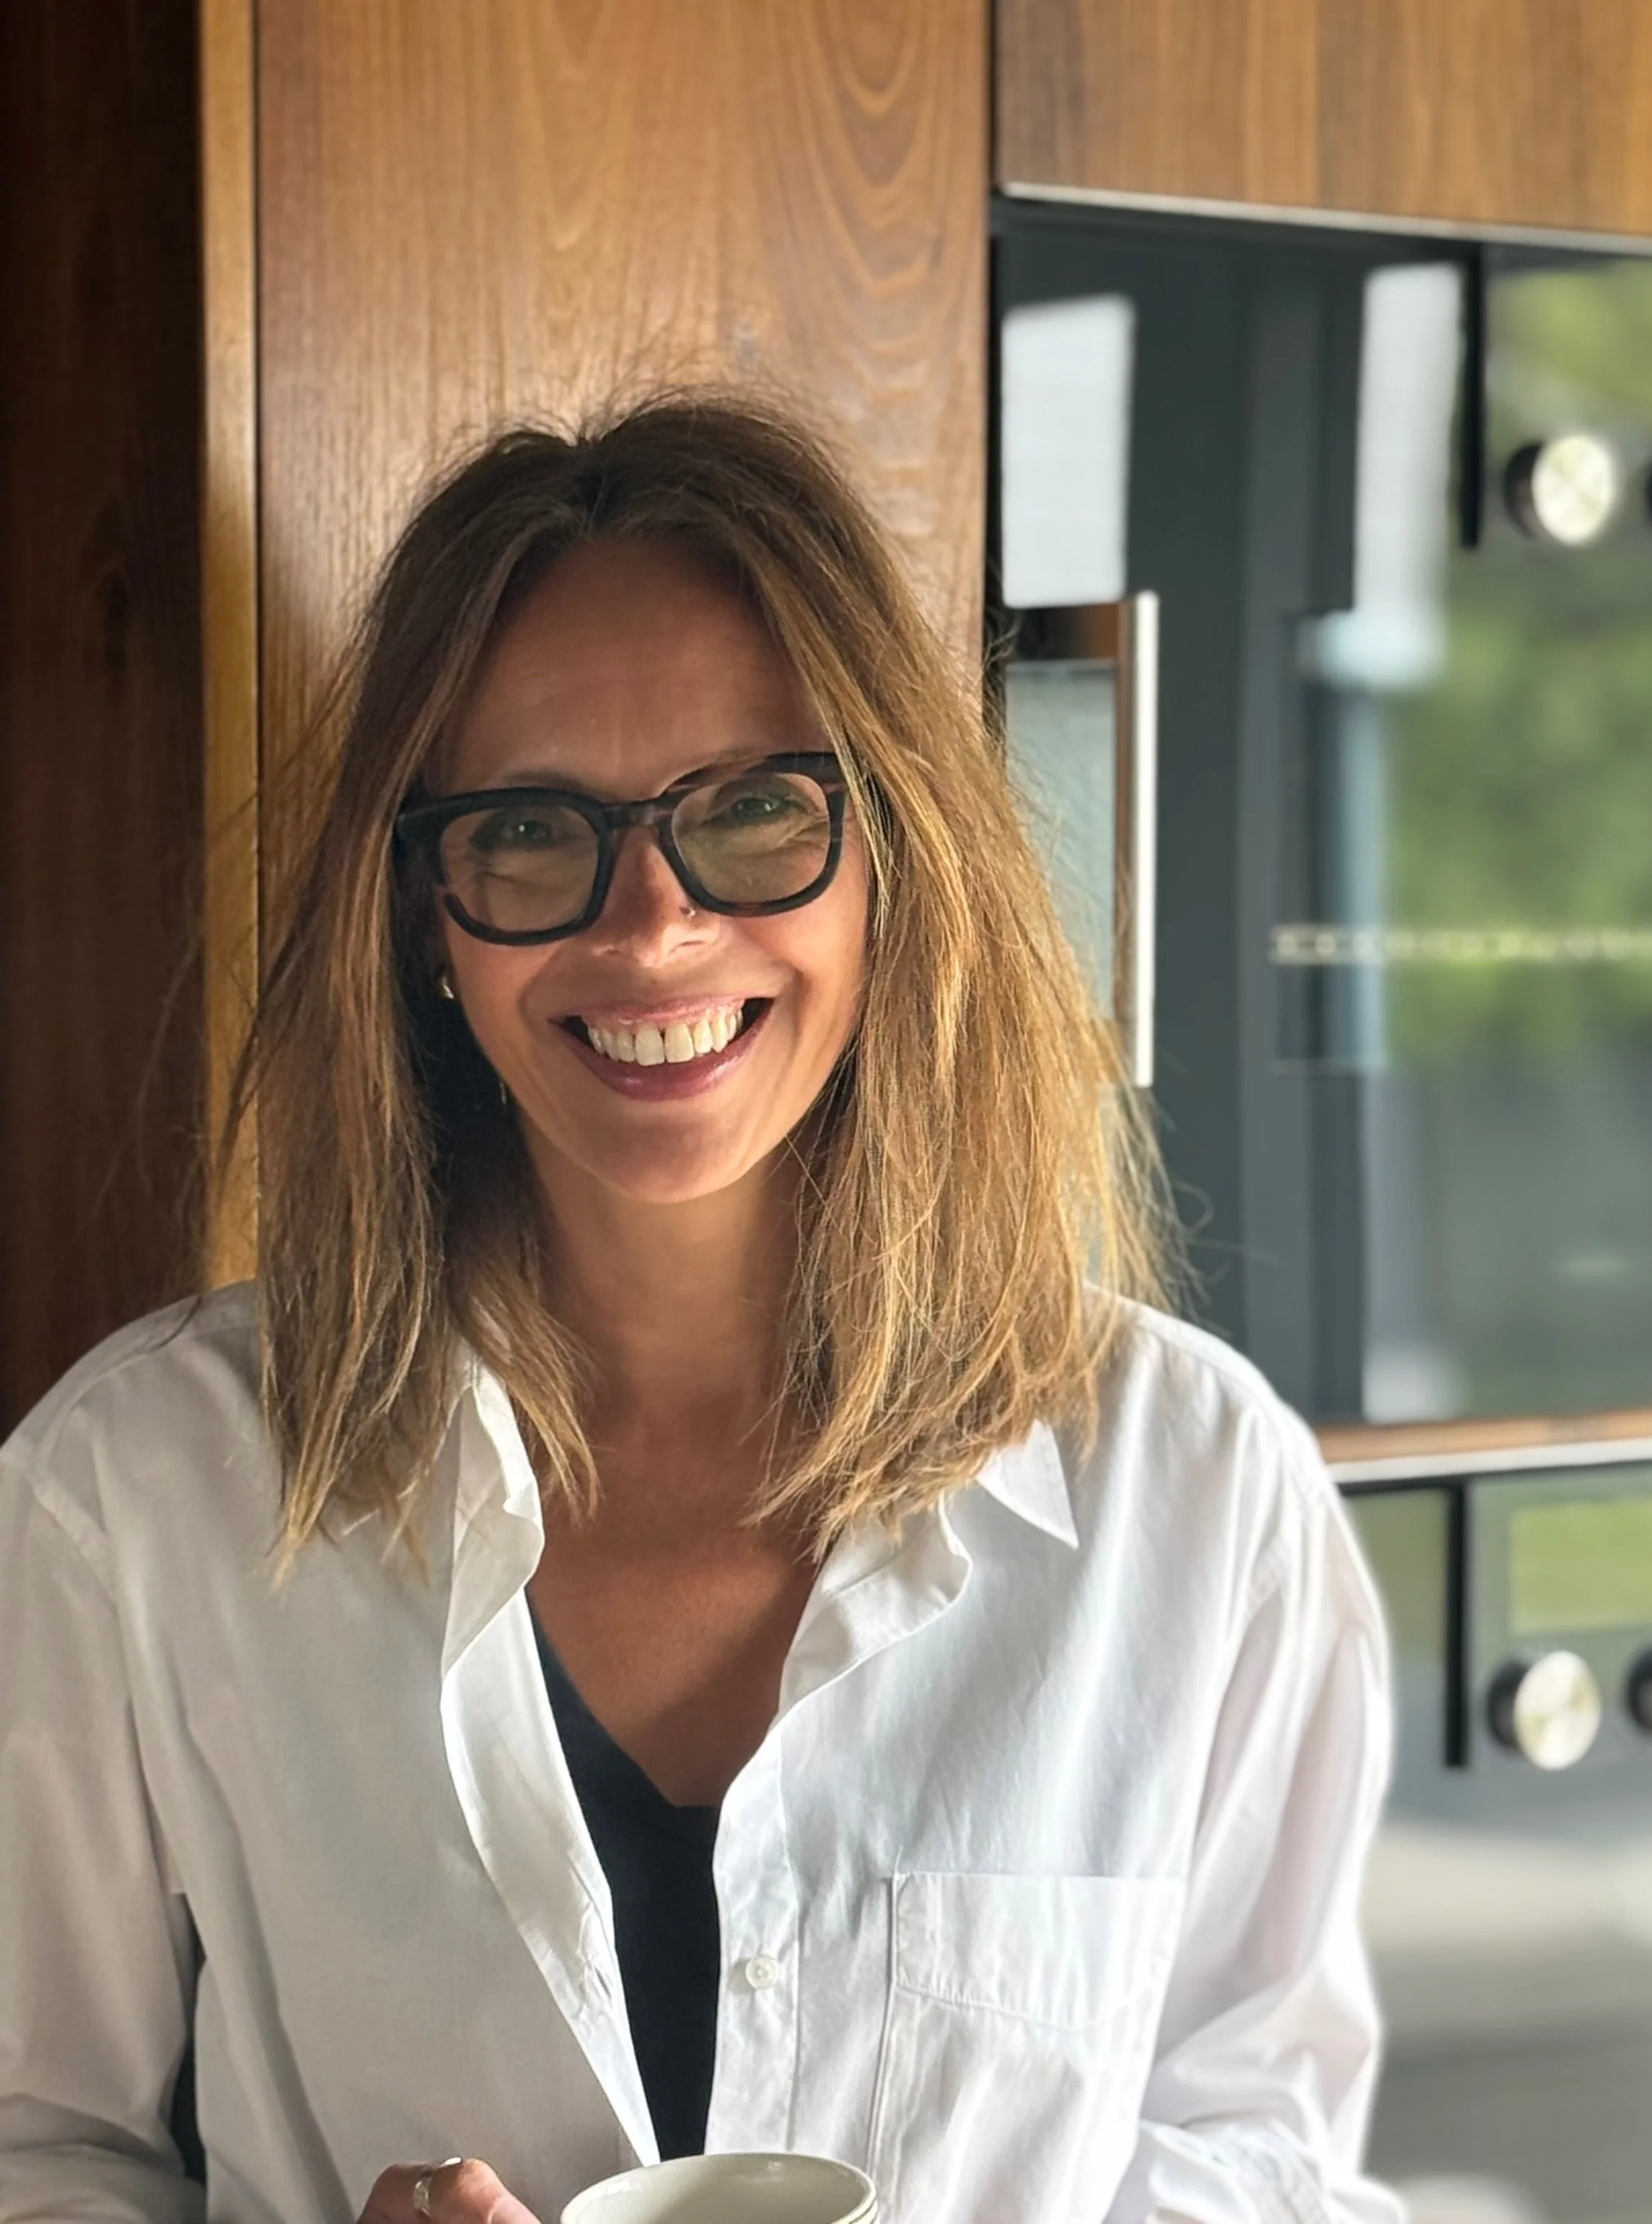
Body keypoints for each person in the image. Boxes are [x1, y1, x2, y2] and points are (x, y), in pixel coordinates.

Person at [0, 393, 1402, 2224]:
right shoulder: (136, 1491)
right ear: (428, 913)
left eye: (752, 813)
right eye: (529, 828)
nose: (651, 928)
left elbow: (1261, 2145)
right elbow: (38, 2143)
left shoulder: (1196, 1484)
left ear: (892, 854)